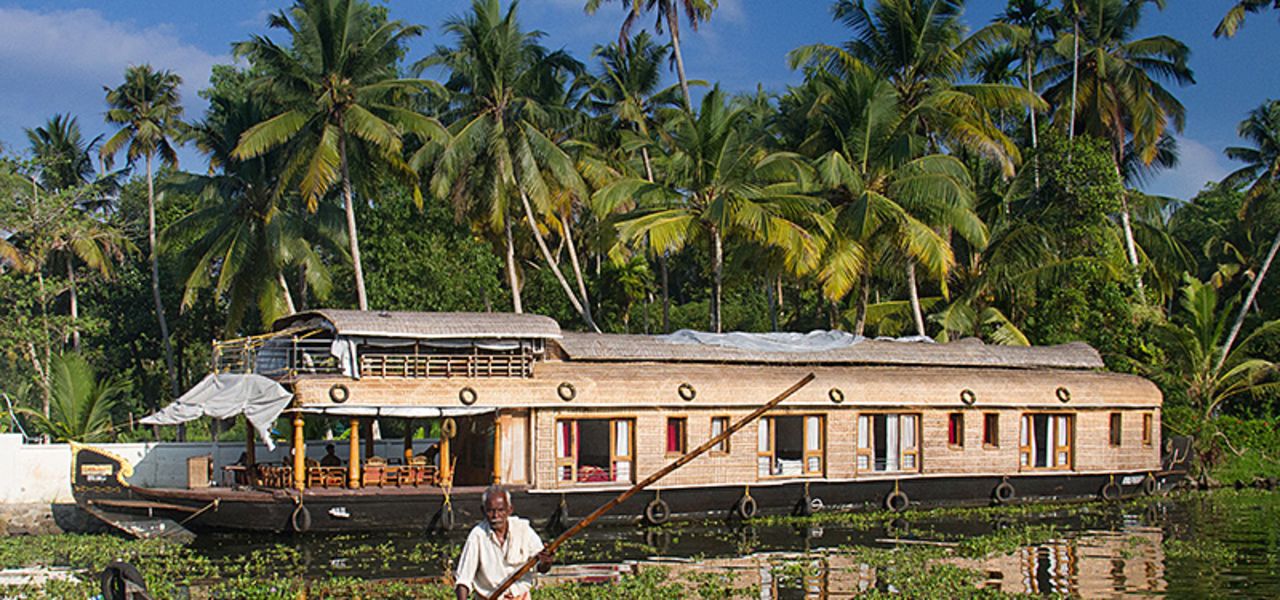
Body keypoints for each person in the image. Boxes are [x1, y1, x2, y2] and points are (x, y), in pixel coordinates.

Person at [454, 486, 554, 600]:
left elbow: (541, 567)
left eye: (501, 510)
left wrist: (546, 562)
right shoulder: (477, 536)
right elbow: (463, 580)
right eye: (490, 511)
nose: (495, 516)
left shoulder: (523, 530)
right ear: (483, 511)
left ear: (509, 510)